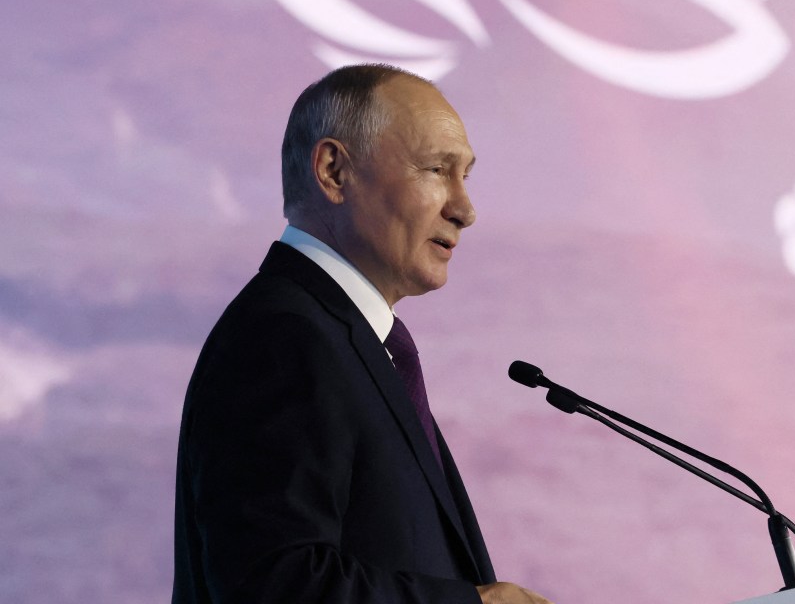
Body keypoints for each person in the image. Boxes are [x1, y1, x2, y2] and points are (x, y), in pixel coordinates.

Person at [172, 64, 552, 604]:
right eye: (436, 170)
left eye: (465, 175)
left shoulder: (343, 340)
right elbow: (271, 584)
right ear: (333, 171)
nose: (465, 209)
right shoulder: (284, 339)